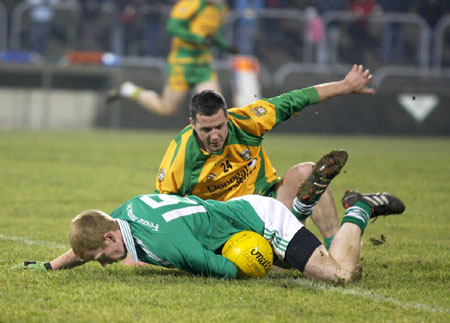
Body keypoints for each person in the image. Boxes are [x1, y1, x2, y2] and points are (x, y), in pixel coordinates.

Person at [12, 152, 405, 283]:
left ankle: (360, 207)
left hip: (261, 222)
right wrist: (49, 266)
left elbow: (231, 271)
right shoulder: (120, 215)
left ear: (112, 240)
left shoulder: (169, 246)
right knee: (292, 260)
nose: (103, 264)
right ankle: (301, 211)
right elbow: (85, 245)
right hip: (239, 216)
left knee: (337, 274)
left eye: (101, 258)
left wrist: (259, 259)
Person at [154, 64, 376, 253]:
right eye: (206, 130)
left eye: (220, 127)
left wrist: (346, 86)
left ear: (228, 117)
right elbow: (160, 208)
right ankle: (306, 218)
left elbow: (297, 99)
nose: (215, 136)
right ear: (192, 124)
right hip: (227, 228)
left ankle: (334, 246)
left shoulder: (248, 121)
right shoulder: (180, 155)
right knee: (271, 261)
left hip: (271, 204)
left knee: (306, 173)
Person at [106, 0, 237, 117]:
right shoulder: (192, 3)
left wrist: (226, 47)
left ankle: (202, 141)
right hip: (182, 63)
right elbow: (172, 27)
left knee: (216, 107)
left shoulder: (218, 9)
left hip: (203, 64)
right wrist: (198, 39)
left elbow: (212, 35)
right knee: (167, 109)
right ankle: (129, 90)